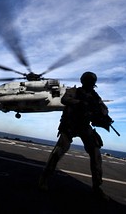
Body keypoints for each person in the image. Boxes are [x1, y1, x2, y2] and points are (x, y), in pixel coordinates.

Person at [39, 71, 113, 200]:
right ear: (83, 81)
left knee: (96, 153)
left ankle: (97, 187)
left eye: (91, 81)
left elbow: (104, 109)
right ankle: (44, 179)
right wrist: (80, 103)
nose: (90, 83)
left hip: (84, 126)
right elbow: (64, 99)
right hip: (70, 125)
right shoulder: (73, 91)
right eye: (88, 80)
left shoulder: (95, 96)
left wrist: (101, 111)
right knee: (58, 152)